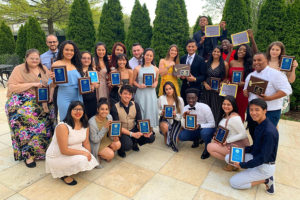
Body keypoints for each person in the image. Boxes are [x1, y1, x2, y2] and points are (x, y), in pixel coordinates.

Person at [5, 49, 55, 168]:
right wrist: (32, 84)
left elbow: (48, 83)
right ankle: (28, 156)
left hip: (42, 102)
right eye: (32, 58)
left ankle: (42, 153)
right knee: (26, 131)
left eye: (37, 58)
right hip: (23, 104)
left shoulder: (43, 68)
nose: (34, 60)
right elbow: (12, 86)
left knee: (44, 130)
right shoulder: (19, 69)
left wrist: (52, 79)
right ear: (26, 58)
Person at [225, 98, 278, 194]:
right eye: (251, 110)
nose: (253, 113)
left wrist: (242, 165)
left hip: (264, 166)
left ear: (265, 111)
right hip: (256, 157)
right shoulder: (260, 124)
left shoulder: (269, 132)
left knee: (234, 183)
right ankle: (252, 170)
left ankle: (266, 179)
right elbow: (255, 147)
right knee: (229, 157)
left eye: (257, 110)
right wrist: (240, 149)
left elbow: (263, 158)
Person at [46, 101, 98, 185]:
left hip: (74, 149)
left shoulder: (85, 125)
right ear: (70, 111)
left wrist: (89, 154)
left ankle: (72, 166)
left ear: (83, 111)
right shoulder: (63, 126)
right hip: (58, 155)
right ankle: (63, 174)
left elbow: (86, 143)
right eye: (75, 109)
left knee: (87, 158)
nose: (78, 112)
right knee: (82, 159)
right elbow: (64, 150)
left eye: (80, 109)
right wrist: (84, 153)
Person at [243, 53, 292, 140]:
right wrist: (245, 92)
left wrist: (269, 98)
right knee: (254, 134)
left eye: (259, 60)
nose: (256, 62)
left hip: (270, 112)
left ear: (266, 61)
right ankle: (257, 152)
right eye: (254, 60)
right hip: (253, 112)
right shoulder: (251, 75)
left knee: (267, 138)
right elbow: (246, 90)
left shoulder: (276, 74)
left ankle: (268, 154)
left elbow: (287, 90)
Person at [110, 85, 155, 158]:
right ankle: (121, 149)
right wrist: (132, 134)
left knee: (151, 137)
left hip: (133, 128)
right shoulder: (114, 107)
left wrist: (145, 131)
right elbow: (117, 128)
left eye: (129, 94)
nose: (127, 96)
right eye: (125, 93)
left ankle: (134, 143)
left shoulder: (136, 105)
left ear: (132, 96)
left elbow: (139, 121)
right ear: (120, 94)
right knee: (127, 145)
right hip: (122, 132)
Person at [207, 96, 249, 171]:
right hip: (228, 141)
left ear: (233, 105)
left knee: (210, 147)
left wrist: (227, 141)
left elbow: (243, 134)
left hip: (234, 145)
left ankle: (233, 163)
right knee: (213, 142)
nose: (226, 106)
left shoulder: (234, 118)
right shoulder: (225, 114)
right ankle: (232, 161)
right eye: (224, 104)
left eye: (229, 104)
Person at [179, 88, 215, 159]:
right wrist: (183, 117)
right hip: (194, 129)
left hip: (205, 128)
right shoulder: (185, 108)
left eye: (193, 98)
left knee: (205, 133)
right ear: (186, 98)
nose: (190, 100)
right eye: (188, 98)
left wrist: (199, 126)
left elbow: (212, 124)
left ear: (197, 98)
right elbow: (184, 126)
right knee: (181, 136)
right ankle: (196, 139)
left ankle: (207, 149)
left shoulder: (205, 107)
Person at [52, 40, 83, 121]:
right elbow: (53, 85)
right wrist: (53, 79)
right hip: (64, 96)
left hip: (78, 96)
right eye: (67, 50)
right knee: (66, 119)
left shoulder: (76, 65)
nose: (69, 52)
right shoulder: (57, 64)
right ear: (62, 50)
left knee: (77, 120)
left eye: (72, 50)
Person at [266, 41, 298, 114]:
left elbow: (291, 80)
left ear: (281, 51)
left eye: (277, 50)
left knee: (273, 118)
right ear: (269, 50)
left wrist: (293, 68)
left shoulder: (285, 63)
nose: (274, 51)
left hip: (278, 95)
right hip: (265, 93)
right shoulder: (264, 61)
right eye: (272, 49)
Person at [89, 98, 121, 168]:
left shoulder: (109, 117)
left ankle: (105, 153)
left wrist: (114, 136)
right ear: (98, 110)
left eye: (106, 109)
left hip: (106, 140)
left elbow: (110, 132)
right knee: (111, 155)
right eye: (102, 109)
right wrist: (104, 128)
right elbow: (94, 140)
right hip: (97, 144)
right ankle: (98, 154)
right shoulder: (92, 122)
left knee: (118, 144)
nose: (105, 111)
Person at [133, 48, 159, 128]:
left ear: (153, 57)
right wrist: (139, 85)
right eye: (147, 55)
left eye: (151, 56)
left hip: (151, 94)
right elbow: (133, 81)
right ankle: (141, 129)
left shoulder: (156, 69)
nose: (148, 57)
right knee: (141, 111)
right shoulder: (137, 68)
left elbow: (157, 80)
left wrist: (155, 84)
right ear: (144, 55)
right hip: (141, 93)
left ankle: (150, 130)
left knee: (150, 111)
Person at [226, 44, 253, 122]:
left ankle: (239, 131)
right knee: (229, 111)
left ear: (247, 53)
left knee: (240, 112)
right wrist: (227, 80)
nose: (241, 51)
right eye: (240, 49)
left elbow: (253, 81)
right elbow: (227, 75)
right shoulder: (232, 62)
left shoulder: (249, 65)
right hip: (231, 90)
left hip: (242, 92)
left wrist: (244, 83)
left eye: (244, 50)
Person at [202, 46, 228, 125]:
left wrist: (221, 84)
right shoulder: (206, 63)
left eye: (218, 52)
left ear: (221, 53)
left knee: (216, 110)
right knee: (206, 109)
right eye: (214, 51)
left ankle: (215, 129)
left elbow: (226, 78)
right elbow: (203, 76)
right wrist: (205, 84)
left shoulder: (224, 64)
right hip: (207, 91)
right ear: (212, 52)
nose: (216, 53)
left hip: (217, 92)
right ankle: (206, 128)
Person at [158, 81, 184, 152]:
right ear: (164, 90)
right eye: (166, 89)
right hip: (165, 119)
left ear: (173, 89)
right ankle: (166, 135)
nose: (168, 91)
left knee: (175, 140)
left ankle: (174, 134)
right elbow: (157, 110)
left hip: (176, 120)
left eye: (170, 88)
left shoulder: (179, 99)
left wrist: (175, 114)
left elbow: (182, 114)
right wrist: (161, 112)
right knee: (165, 127)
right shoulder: (161, 98)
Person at [180, 39, 207, 103]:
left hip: (196, 88)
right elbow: (181, 72)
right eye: (189, 46)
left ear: (196, 47)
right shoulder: (182, 58)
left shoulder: (201, 60)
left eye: (193, 46)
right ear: (186, 47)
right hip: (184, 87)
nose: (191, 48)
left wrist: (194, 79)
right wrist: (181, 77)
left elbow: (204, 76)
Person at [40, 35, 59, 122]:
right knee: (53, 111)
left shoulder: (63, 54)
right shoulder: (41, 57)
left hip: (64, 85)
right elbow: (40, 74)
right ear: (47, 43)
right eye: (50, 42)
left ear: (57, 42)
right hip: (50, 86)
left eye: (54, 41)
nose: (52, 44)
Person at [81, 51, 99, 119]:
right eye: (84, 58)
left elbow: (97, 85)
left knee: (91, 118)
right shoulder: (77, 70)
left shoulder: (93, 70)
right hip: (80, 98)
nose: (86, 60)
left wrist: (93, 85)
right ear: (80, 59)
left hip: (91, 98)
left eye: (88, 58)